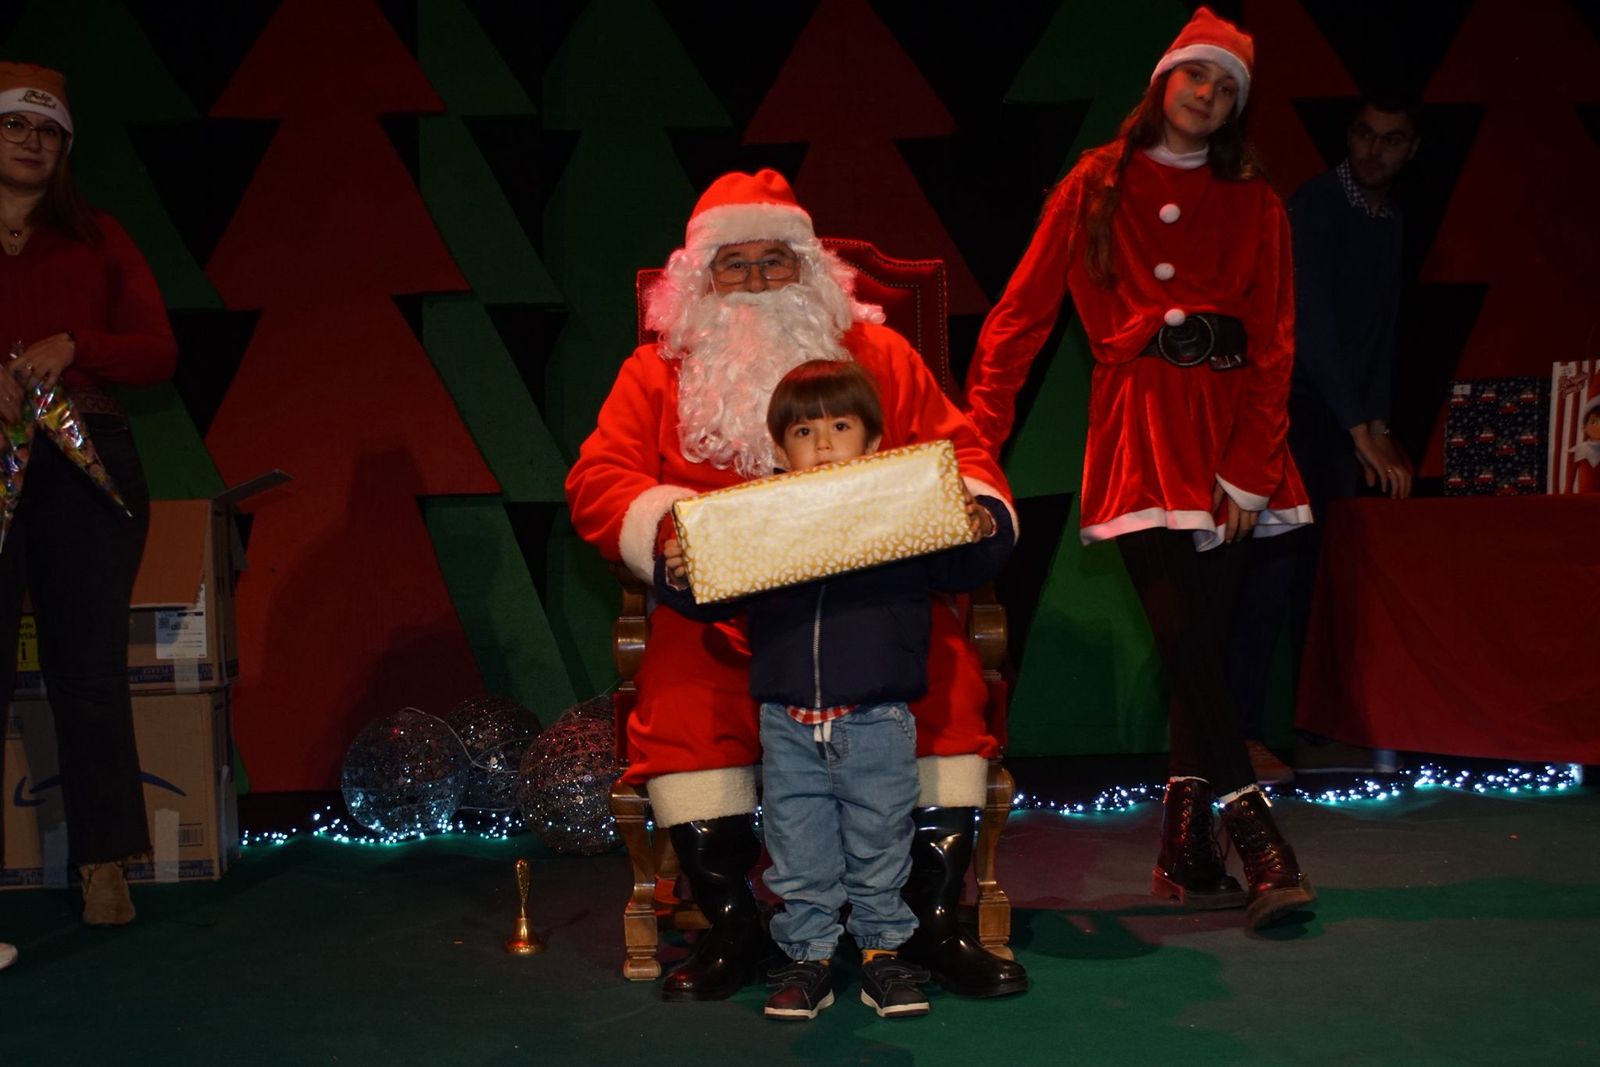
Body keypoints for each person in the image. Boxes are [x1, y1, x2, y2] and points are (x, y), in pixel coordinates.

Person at [566, 169, 1028, 999]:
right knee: (680, 706)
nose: (754, 283)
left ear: (809, 271)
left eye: (773, 262)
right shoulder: (655, 373)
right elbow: (600, 478)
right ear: (699, 283)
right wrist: (678, 539)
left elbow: (965, 459)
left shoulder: (880, 356)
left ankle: (928, 922)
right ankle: (737, 927)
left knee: (950, 685)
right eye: (733, 266)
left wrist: (974, 515)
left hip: (872, 608)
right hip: (726, 619)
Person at [961, 9, 1315, 929]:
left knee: (1201, 649)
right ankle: (1259, 837)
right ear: (1163, 81)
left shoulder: (1258, 201)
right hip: (1143, 433)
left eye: (1227, 87)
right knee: (1187, 640)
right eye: (1198, 76)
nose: (1209, 95)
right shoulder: (1097, 183)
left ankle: (1185, 842)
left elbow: (1276, 341)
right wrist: (976, 442)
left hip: (1233, 438)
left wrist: (1252, 468)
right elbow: (1019, 317)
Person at [654, 360, 1016, 1020]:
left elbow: (966, 560)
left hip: (875, 716)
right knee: (799, 847)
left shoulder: (898, 512)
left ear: (872, 442)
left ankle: (884, 954)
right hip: (787, 721)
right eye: (802, 429)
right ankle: (807, 957)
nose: (822, 442)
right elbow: (703, 595)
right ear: (781, 450)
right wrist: (680, 570)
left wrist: (980, 523)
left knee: (880, 840)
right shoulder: (758, 521)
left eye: (840, 425)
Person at [0, 63, 177, 926]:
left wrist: (76, 343)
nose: (33, 143)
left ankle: (104, 859)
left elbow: (158, 352)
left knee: (89, 665)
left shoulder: (98, 234)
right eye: (15, 127)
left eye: (49, 131)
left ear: (65, 145)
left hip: (87, 460)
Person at [1229, 97, 1421, 781]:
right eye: (1365, 135)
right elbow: (1311, 328)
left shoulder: (1390, 221)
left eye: (1392, 140)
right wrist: (1356, 425)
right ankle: (1240, 733)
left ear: (1411, 149)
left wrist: (1380, 423)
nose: (1374, 151)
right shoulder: (1313, 207)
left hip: (1337, 419)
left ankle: (1312, 728)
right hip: (1288, 410)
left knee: (1322, 580)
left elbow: (1380, 332)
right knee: (1270, 574)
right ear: (1349, 136)